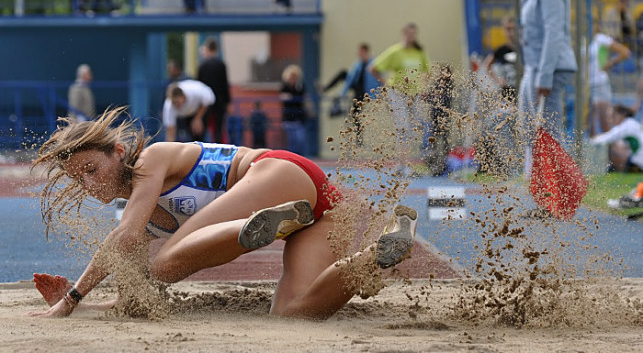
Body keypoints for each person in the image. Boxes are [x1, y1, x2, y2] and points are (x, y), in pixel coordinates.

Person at [28, 106, 418, 319]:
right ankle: (379, 253)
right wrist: (85, 305)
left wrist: (74, 297)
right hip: (321, 209)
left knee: (164, 263)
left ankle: (252, 226)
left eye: (92, 170)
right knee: (294, 312)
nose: (89, 185)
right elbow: (134, 300)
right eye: (79, 179)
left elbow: (125, 237)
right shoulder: (140, 216)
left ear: (118, 152)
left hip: (275, 170)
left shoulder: (151, 161)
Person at [518, 0, 577, 176]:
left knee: (547, 133)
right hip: (535, 66)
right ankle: (543, 195)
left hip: (548, 68)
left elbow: (554, 34)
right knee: (530, 130)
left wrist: (544, 76)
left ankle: (555, 198)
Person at [368, 23, 430, 172]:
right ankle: (404, 164)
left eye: (413, 34)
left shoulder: (419, 52)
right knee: (404, 129)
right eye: (408, 33)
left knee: (422, 125)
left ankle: (421, 159)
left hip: (415, 95)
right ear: (403, 34)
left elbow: (427, 70)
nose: (411, 36)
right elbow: (373, 68)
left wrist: (424, 86)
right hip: (398, 93)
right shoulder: (395, 52)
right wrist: (386, 84)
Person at [588, 24, 632, 136]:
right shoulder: (583, 40)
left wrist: (609, 64)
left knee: (605, 123)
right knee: (590, 125)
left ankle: (610, 151)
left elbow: (625, 52)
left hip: (600, 84)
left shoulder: (600, 38)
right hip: (587, 85)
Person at [338, 43, 380, 146]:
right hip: (358, 91)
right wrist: (342, 93)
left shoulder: (373, 63)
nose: (359, 54)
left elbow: (378, 78)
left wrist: (380, 93)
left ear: (365, 51)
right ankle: (359, 137)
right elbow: (350, 79)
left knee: (360, 115)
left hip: (367, 92)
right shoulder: (358, 64)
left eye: (361, 51)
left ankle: (360, 137)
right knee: (355, 114)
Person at [590, 104, 643, 173]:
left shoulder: (627, 125)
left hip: (639, 162)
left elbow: (607, 138)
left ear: (621, 115)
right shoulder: (631, 123)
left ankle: (611, 169)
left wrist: (589, 141)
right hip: (636, 160)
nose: (611, 120)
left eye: (612, 116)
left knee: (612, 146)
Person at [197, 36, 231, 143]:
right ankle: (219, 150)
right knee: (218, 128)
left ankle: (200, 149)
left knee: (204, 127)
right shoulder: (221, 65)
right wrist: (227, 102)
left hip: (205, 102)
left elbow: (199, 85)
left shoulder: (203, 65)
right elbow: (225, 85)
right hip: (219, 101)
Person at [481, 15, 519, 104]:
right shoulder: (501, 50)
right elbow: (487, 65)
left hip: (521, 91)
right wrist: (498, 80)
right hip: (507, 94)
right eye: (507, 29)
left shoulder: (523, 50)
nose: (510, 33)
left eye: (512, 29)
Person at [280, 64, 308, 155]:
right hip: (289, 117)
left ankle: (300, 156)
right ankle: (292, 157)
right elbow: (283, 98)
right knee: (292, 141)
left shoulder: (300, 86)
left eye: (295, 76)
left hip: (299, 117)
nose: (293, 79)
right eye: (291, 76)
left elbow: (302, 97)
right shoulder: (284, 86)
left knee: (300, 139)